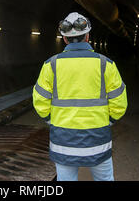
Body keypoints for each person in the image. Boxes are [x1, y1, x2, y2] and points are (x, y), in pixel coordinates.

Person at [33, 12, 127, 181]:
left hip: (63, 142)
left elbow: (40, 102)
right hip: (98, 140)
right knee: (105, 179)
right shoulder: (106, 64)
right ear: (88, 36)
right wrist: (107, 121)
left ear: (64, 39)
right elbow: (119, 103)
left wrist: (52, 120)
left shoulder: (51, 65)